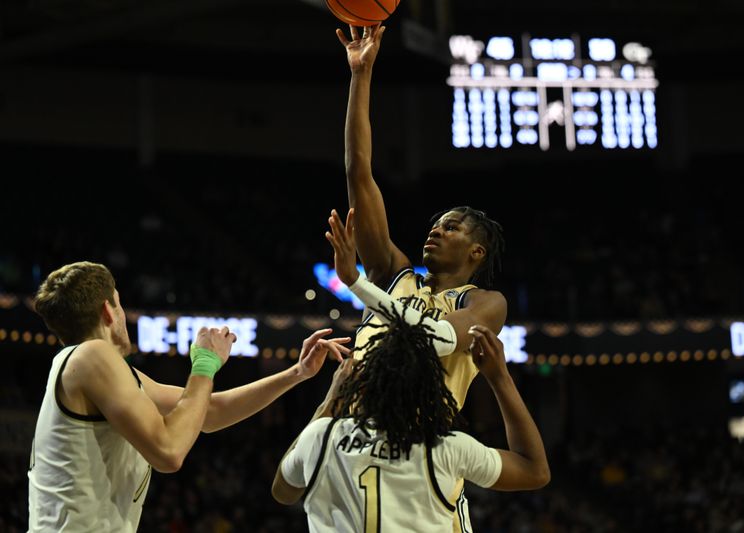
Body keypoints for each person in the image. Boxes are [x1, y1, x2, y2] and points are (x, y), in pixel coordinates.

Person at [270, 210, 549, 530]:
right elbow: (535, 470)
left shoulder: (323, 437)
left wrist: (331, 399)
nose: (437, 231)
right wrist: (500, 378)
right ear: (432, 383)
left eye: (451, 227)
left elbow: (283, 490)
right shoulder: (446, 448)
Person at [28, 261, 349, 532]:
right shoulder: (92, 356)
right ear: (108, 312)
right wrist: (205, 363)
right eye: (120, 304)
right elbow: (169, 452)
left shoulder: (98, 369)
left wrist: (297, 373)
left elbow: (207, 412)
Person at [337, 23, 507, 530]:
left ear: (476, 250)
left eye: (450, 228)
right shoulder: (396, 274)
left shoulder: (484, 303)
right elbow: (358, 172)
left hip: (424, 454)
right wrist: (361, 76)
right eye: (434, 225)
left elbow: (436, 340)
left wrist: (358, 286)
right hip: (354, 442)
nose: (435, 231)